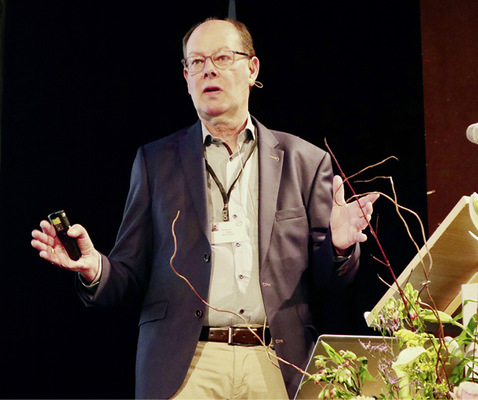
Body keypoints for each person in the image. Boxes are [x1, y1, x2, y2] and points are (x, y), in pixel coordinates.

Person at [31, 18, 378, 399]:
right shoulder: (156, 162)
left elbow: (331, 284)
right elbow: (129, 272)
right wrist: (95, 267)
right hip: (186, 363)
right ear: (185, 76)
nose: (208, 69)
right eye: (196, 62)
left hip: (275, 361)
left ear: (252, 68)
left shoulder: (305, 161)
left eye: (222, 58)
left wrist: (341, 247)